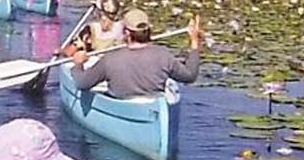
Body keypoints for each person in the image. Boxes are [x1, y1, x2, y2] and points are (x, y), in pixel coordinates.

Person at [64, 7, 203, 96]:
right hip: (153, 106)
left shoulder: (110, 59)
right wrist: (195, 43)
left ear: (126, 33)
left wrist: (78, 64)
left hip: (123, 107)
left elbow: (82, 84)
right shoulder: (163, 55)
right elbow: (190, 76)